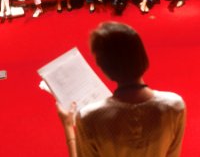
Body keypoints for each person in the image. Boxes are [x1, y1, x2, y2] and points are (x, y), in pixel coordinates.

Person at [56, 21, 186, 157]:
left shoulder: (89, 117)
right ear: (142, 54)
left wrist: (68, 126)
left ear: (103, 66)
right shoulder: (175, 105)